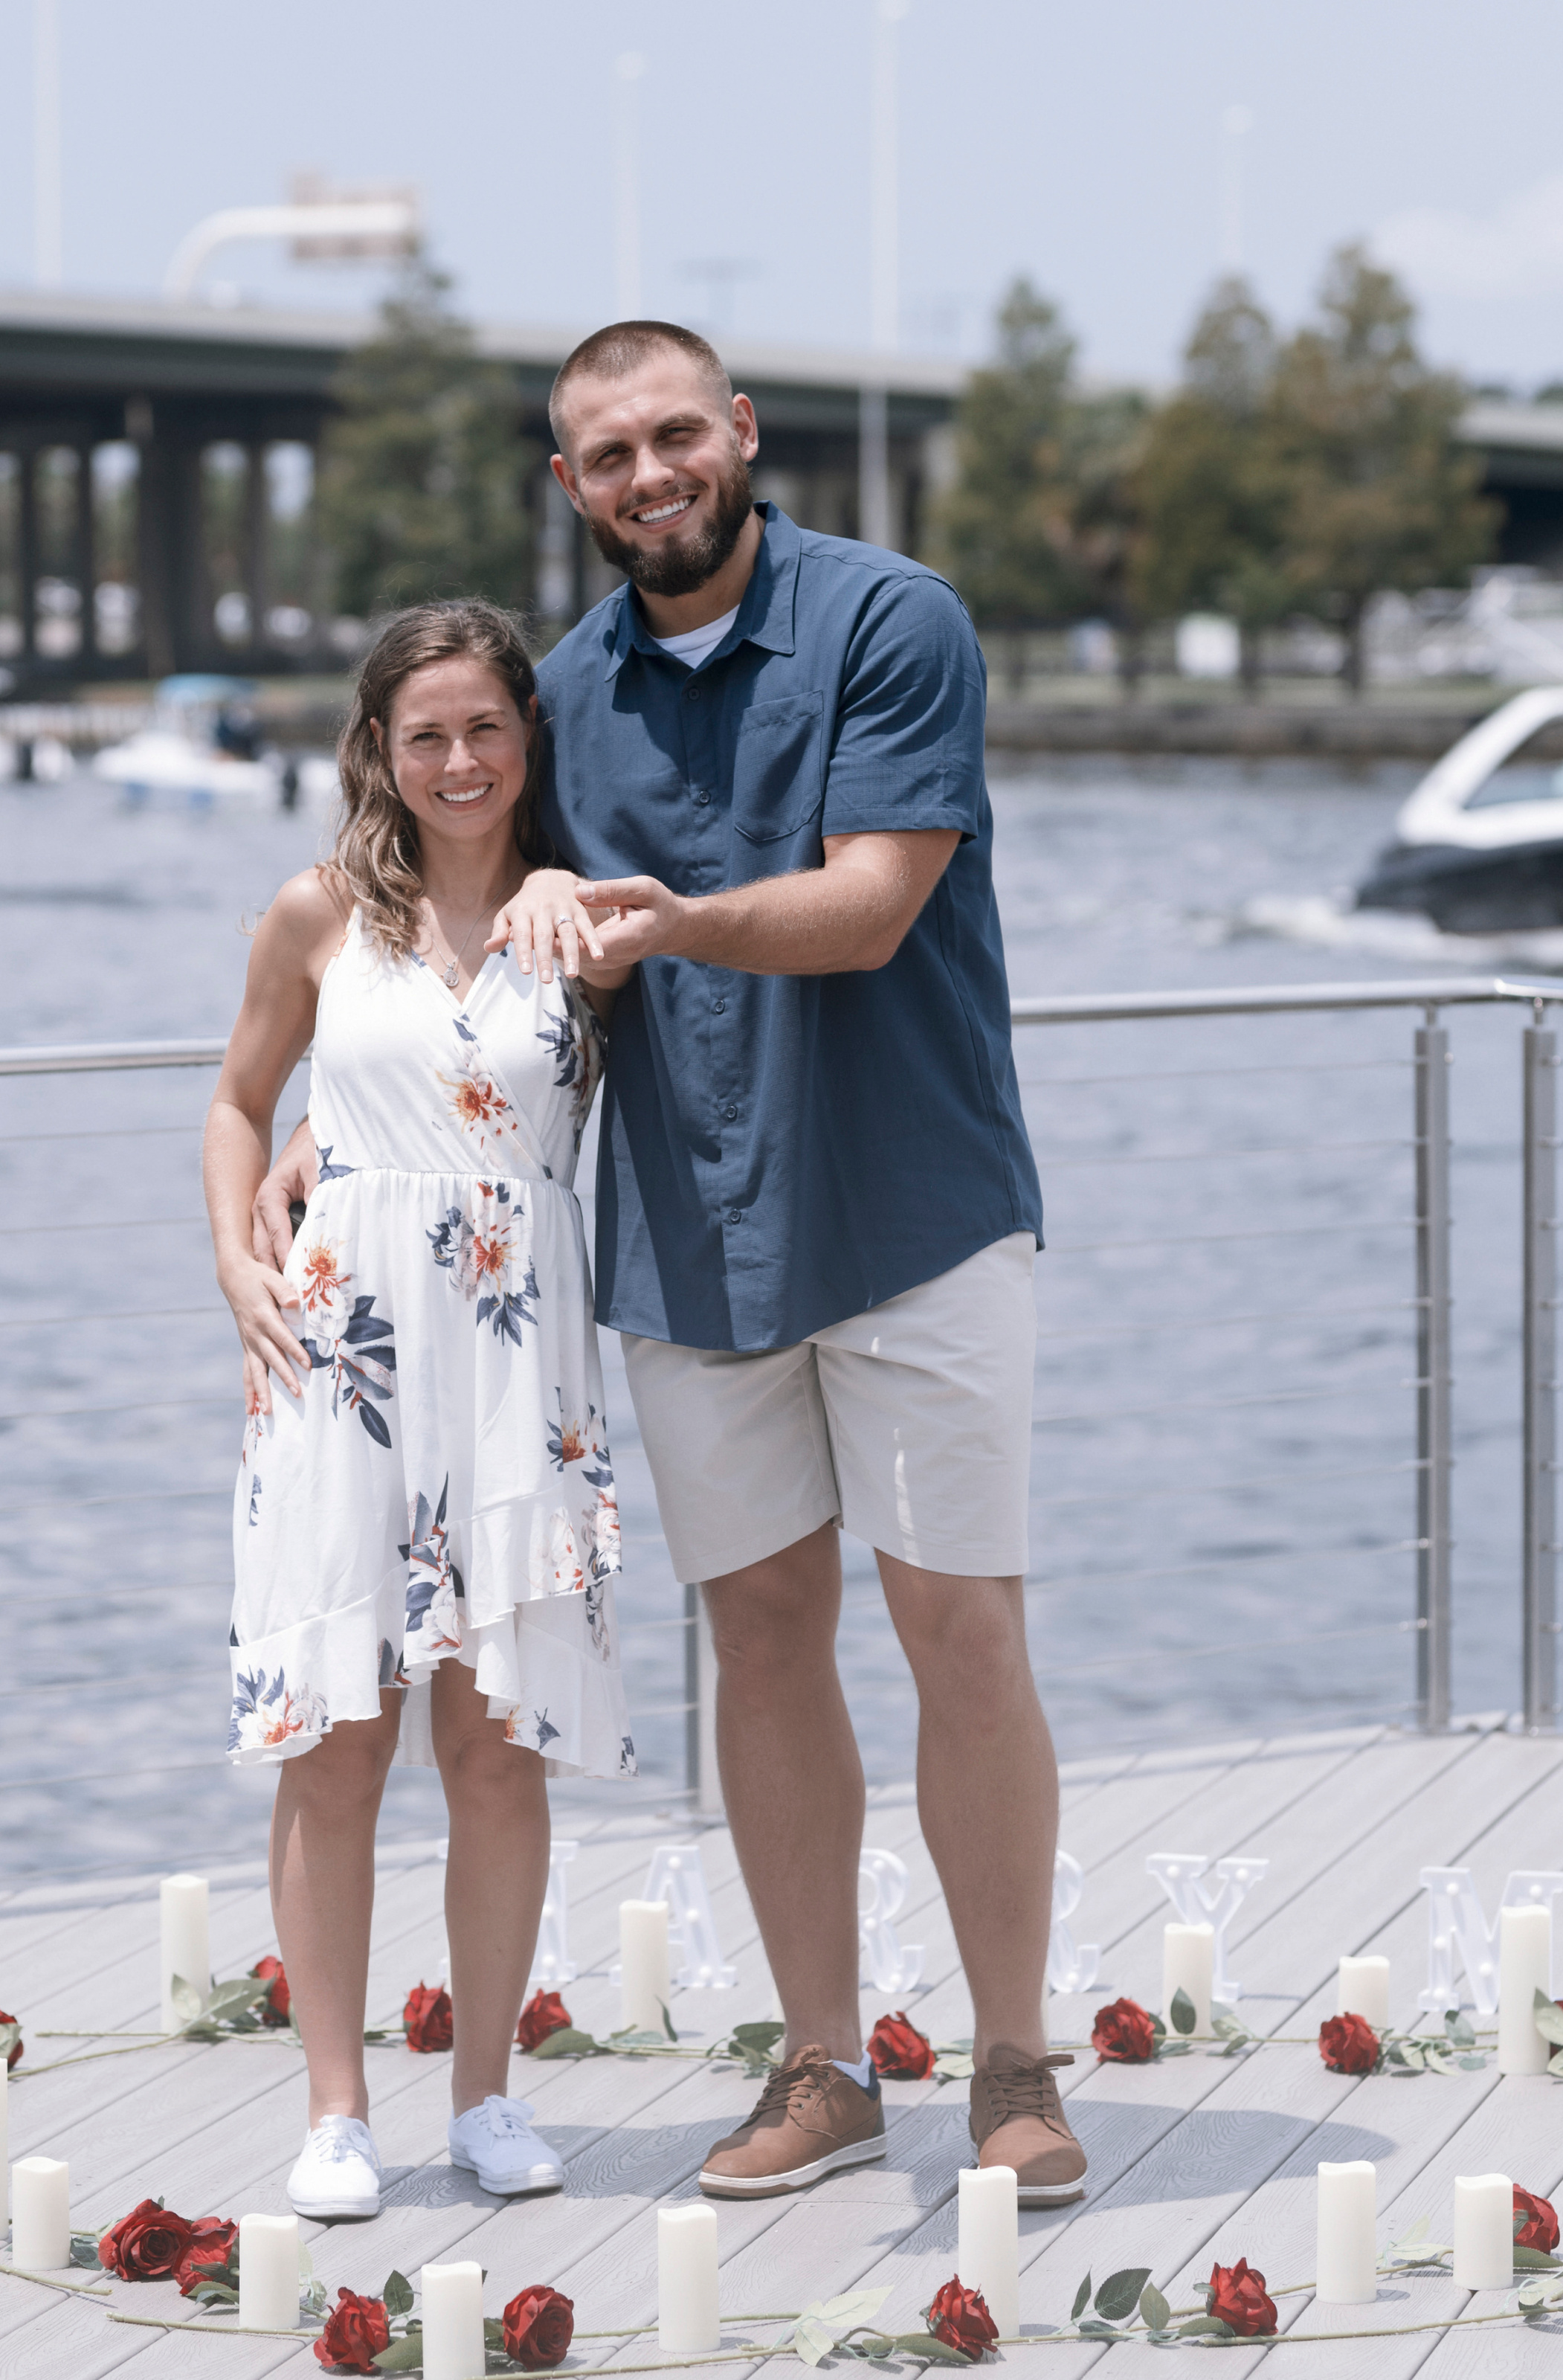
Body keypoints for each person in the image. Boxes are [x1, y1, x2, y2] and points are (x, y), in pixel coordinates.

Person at [397, 318, 1082, 2207]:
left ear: (739, 431)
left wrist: (667, 919)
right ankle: (823, 2063)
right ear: (569, 487)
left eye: (674, 435)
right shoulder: (559, 697)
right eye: (605, 455)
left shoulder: (891, 621)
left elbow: (871, 907)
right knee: (762, 1640)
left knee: (963, 1630)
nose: (648, 475)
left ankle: (1014, 2059)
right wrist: (309, 1105)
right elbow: (447, 917)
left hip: (916, 1211)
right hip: (687, 1238)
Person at [204, 599, 635, 2225]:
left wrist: (556, 888)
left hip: (522, 1362)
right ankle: (334, 2111)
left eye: (486, 730)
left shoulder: (582, 919)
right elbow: (240, 1103)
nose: (458, 761)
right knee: (339, 1739)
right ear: (379, 750)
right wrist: (234, 1262)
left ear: (529, 739)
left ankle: (487, 2097)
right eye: (425, 734)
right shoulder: (317, 913)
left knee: (497, 1737)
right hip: (343, 1354)